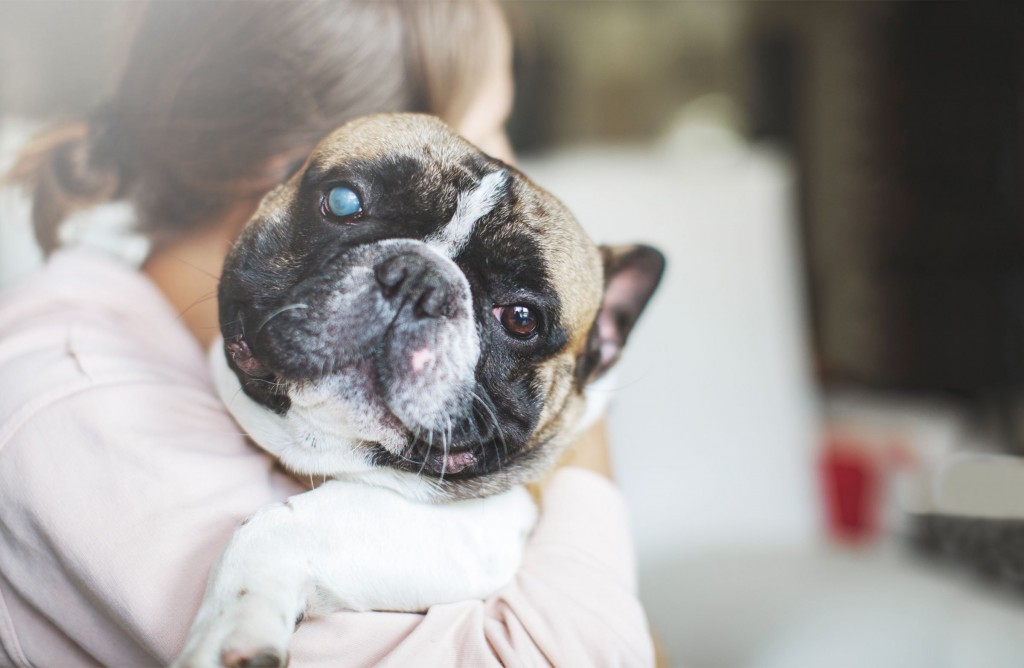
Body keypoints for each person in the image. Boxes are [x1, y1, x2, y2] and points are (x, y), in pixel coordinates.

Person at [0, 1, 653, 665]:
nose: (512, 168)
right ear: (283, 161)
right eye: (488, 130)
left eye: (517, 319)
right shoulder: (81, 407)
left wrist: (581, 371)